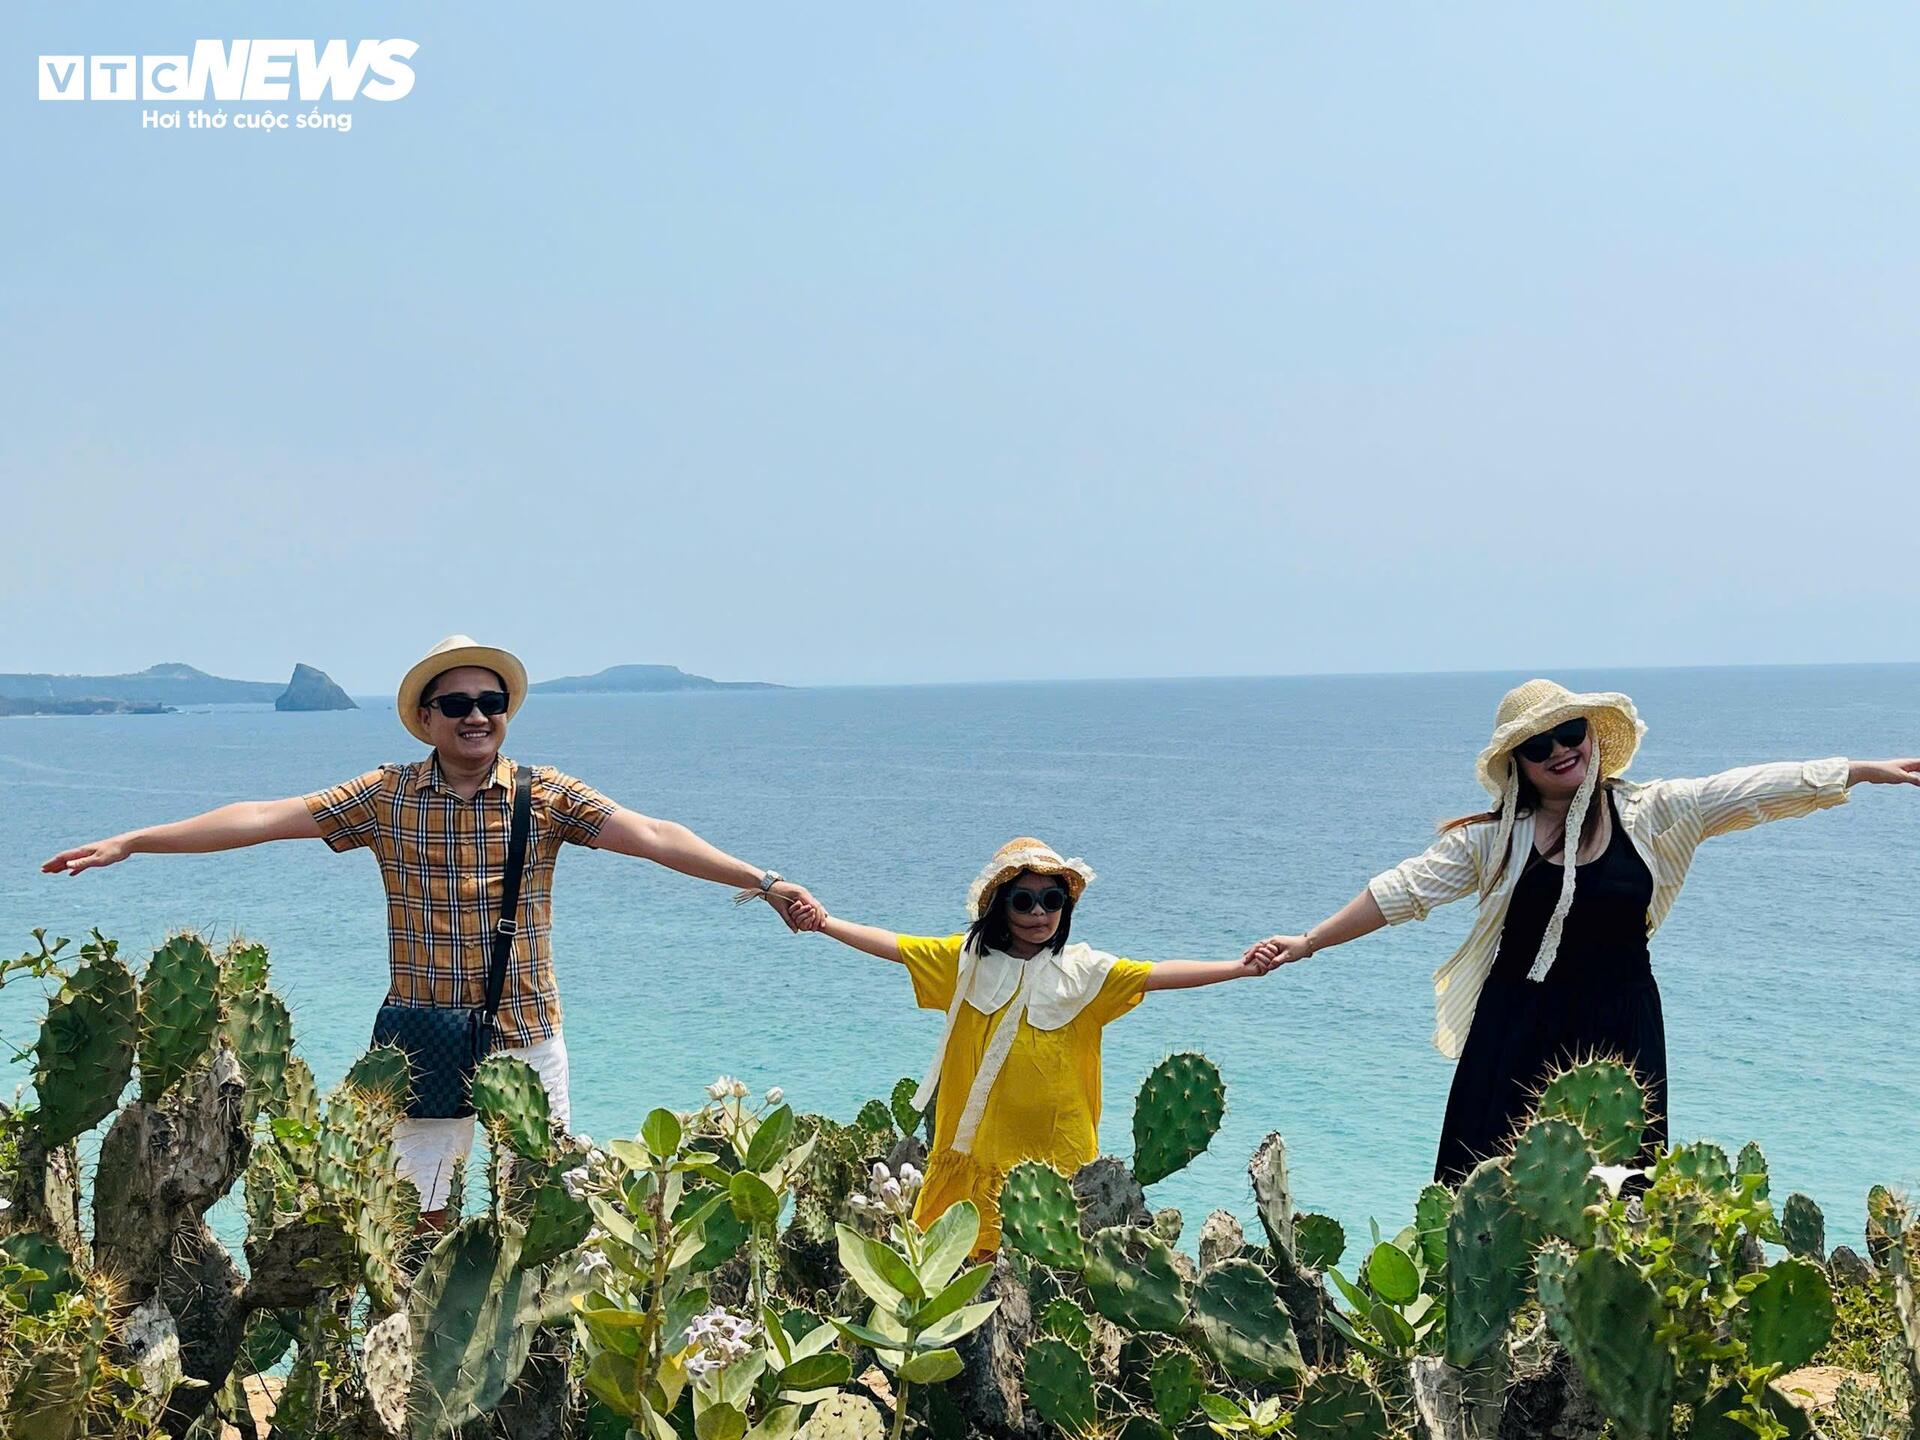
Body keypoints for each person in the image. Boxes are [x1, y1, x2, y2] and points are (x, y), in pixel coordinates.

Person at [43, 634, 819, 1224]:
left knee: (537, 1210)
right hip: (423, 1035)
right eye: (456, 705)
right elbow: (260, 817)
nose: (477, 716)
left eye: (491, 702)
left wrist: (764, 880)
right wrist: (136, 840)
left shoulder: (545, 796)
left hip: (526, 1031)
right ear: (426, 719)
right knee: (419, 1214)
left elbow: (655, 835)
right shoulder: (385, 796)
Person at [1243, 678, 1920, 1184]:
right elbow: (1401, 891)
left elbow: (1745, 789)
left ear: (1593, 738)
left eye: (1572, 734)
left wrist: (1855, 772)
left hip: (1621, 1024)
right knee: (1485, 1187)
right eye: (1540, 746)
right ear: (1518, 763)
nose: (1561, 751)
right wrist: (1308, 942)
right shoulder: (1495, 840)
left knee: (1621, 1190)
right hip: (1516, 1024)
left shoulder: (1653, 813)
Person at [786, 837, 1274, 1251]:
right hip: (971, 1154)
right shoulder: (966, 963)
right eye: (1024, 900)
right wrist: (824, 923)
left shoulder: (1087, 973)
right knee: (961, 1268)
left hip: (1055, 1170)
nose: (1040, 912)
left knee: (1047, 1269)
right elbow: (894, 945)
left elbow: (1158, 975)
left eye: (1053, 899)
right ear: (1002, 905)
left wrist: (1240, 967)